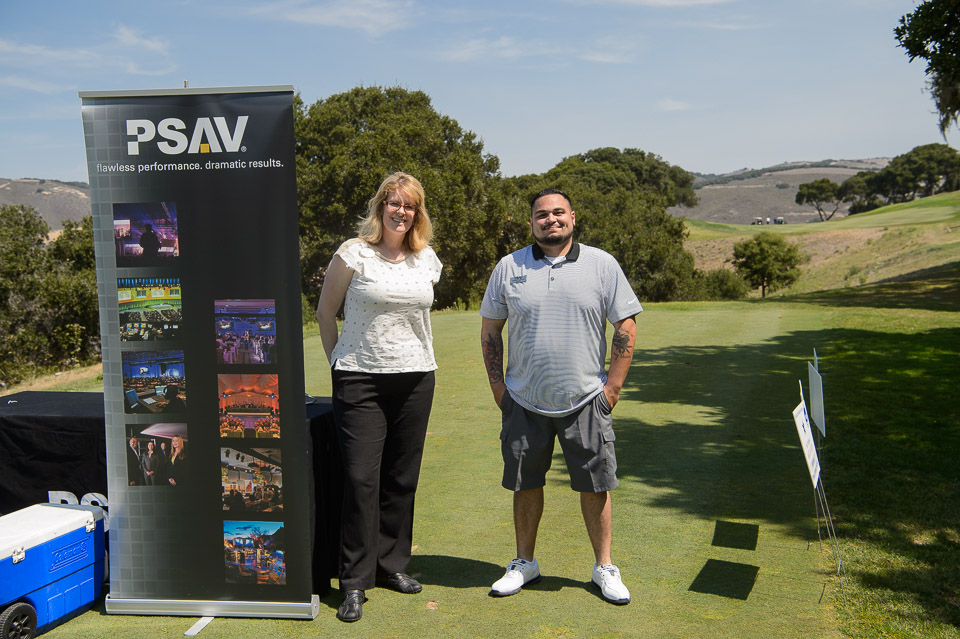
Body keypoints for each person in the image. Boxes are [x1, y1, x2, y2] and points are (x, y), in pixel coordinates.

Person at [479, 188, 640, 605]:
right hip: (523, 400)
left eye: (558, 212)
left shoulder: (602, 264)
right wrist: (499, 390)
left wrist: (612, 389)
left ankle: (604, 567)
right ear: (531, 222)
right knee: (524, 483)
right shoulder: (508, 266)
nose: (550, 220)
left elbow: (625, 324)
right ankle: (524, 563)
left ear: (572, 217)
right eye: (541, 215)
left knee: (596, 485)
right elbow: (491, 329)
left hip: (586, 399)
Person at [315, 171, 442, 623]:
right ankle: (354, 581)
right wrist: (338, 363)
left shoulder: (427, 258)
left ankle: (391, 565)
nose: (401, 211)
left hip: (416, 377)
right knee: (361, 480)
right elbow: (325, 312)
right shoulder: (353, 253)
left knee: (401, 477)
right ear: (380, 207)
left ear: (417, 212)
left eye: (409, 205)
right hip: (360, 379)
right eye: (394, 203)